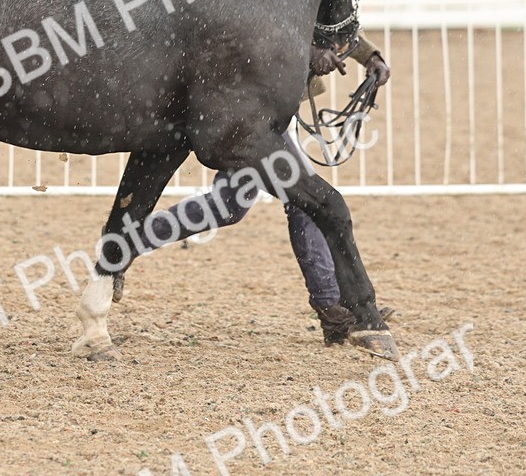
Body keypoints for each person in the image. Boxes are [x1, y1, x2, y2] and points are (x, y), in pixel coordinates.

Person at [128, 35, 392, 347]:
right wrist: (309, 51)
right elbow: (262, 30)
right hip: (247, 113)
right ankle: (332, 308)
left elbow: (331, 21)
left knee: (228, 206)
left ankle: (129, 242)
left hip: (265, 111)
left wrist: (369, 56)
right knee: (307, 202)